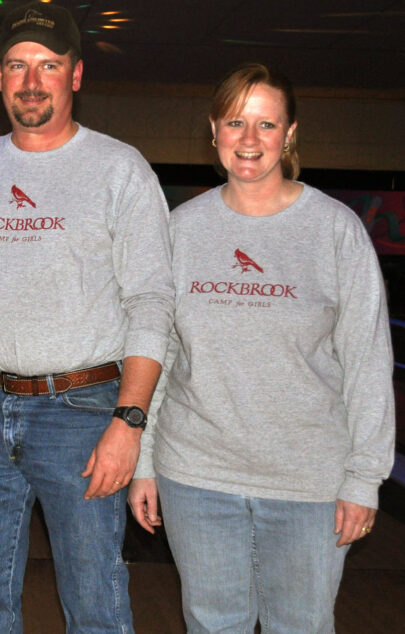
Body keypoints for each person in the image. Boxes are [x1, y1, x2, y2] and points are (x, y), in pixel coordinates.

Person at [0, 2, 174, 632]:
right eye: (17, 66)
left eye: (48, 65)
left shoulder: (121, 169)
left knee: (94, 600)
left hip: (82, 415)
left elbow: (151, 303)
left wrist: (129, 422)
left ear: (76, 76)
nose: (32, 81)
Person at [128, 63, 395, 633]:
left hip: (309, 484)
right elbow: (161, 352)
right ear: (214, 130)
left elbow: (367, 362)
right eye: (235, 122)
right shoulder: (180, 229)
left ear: (290, 133)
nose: (249, 140)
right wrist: (145, 462)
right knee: (211, 624)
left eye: (266, 124)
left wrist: (363, 478)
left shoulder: (335, 230)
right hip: (196, 475)